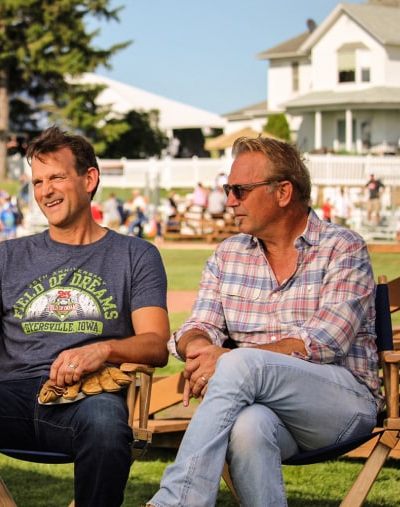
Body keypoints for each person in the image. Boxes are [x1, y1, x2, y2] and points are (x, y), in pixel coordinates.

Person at [0, 126, 171, 507]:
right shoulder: (6, 257)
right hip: (9, 398)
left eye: (57, 178)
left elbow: (155, 344)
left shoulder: (136, 256)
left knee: (105, 424)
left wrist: (103, 350)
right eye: (37, 182)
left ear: (89, 179)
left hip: (86, 399)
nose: (45, 191)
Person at [146, 136, 380, 507]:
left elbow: (326, 341)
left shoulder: (343, 247)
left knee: (241, 361)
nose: (230, 201)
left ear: (283, 192)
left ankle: (178, 501)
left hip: (341, 405)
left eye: (239, 190)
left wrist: (228, 361)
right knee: (247, 428)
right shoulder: (228, 255)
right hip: (266, 412)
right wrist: (201, 348)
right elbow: (196, 327)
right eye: (228, 189)